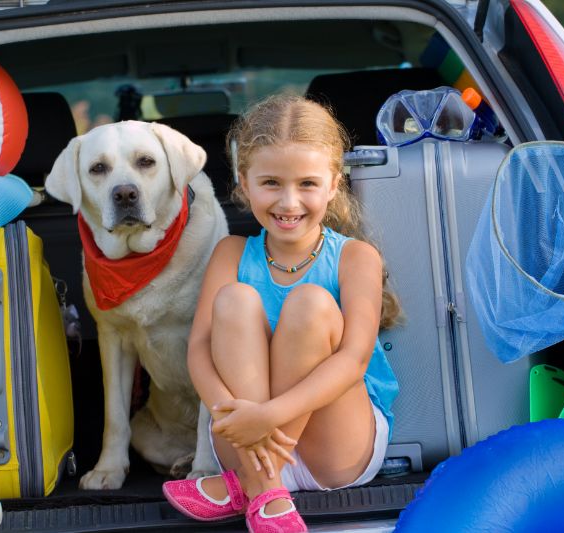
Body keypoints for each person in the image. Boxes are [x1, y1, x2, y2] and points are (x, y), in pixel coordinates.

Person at [162, 94, 401, 533]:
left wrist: (267, 418)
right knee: (234, 301)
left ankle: (247, 487)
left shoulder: (355, 257)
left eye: (307, 184)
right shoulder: (230, 253)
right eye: (271, 182)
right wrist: (229, 414)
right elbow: (198, 348)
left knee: (310, 303)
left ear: (333, 184)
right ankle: (267, 492)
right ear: (243, 182)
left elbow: (354, 361)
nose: (289, 203)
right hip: (244, 439)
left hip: (335, 449)